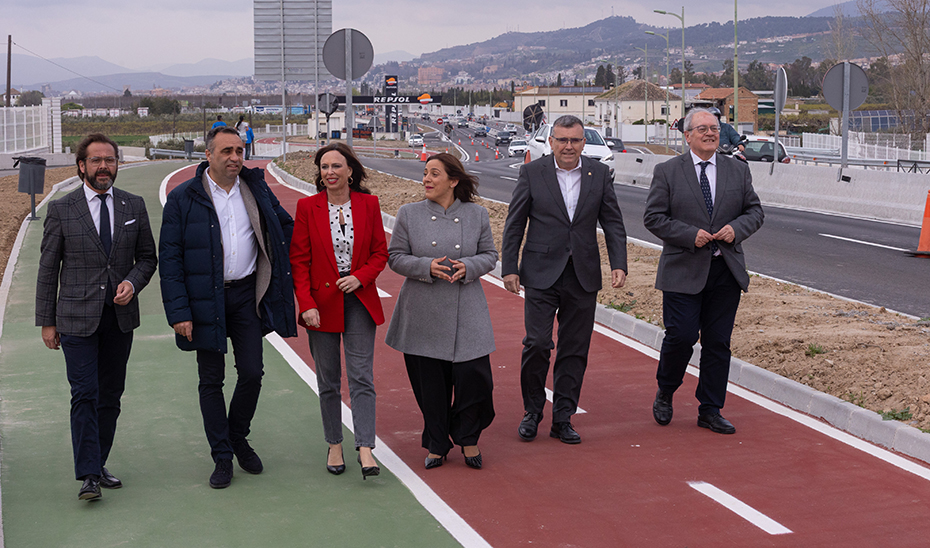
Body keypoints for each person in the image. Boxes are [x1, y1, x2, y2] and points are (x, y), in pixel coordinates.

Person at [159, 126, 297, 488]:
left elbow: (285, 227)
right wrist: (179, 312)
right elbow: (170, 259)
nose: (235, 157)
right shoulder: (183, 198)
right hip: (205, 300)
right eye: (226, 151)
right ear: (208, 155)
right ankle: (222, 455)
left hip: (247, 296)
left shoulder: (255, 188)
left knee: (252, 373)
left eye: (239, 150)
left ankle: (237, 436)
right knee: (211, 380)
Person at [36, 133, 157, 501]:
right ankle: (88, 474)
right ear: (81, 166)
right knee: (84, 393)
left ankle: (98, 462)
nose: (104, 166)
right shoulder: (62, 209)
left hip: (119, 319)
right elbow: (48, 269)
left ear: (117, 164)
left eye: (110, 160)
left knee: (110, 395)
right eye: (96, 160)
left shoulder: (133, 205)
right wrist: (47, 321)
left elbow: (147, 258)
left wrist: (132, 283)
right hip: (75, 318)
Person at [501, 115, 627, 445]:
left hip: (582, 274)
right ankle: (532, 411)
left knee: (575, 348)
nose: (568, 146)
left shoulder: (599, 174)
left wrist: (619, 263)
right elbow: (515, 223)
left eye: (575, 140)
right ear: (551, 142)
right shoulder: (532, 173)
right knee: (537, 343)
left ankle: (563, 418)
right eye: (562, 140)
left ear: (583, 143)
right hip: (540, 272)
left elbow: (613, 222)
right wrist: (510, 267)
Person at [644, 107, 764, 435]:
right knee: (681, 336)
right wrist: (688, 235)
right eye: (702, 129)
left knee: (717, 343)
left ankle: (710, 409)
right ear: (687, 136)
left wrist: (736, 229)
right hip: (683, 269)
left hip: (725, 270)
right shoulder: (668, 171)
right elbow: (653, 217)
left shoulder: (737, 170)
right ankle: (666, 389)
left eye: (714, 128)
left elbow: (755, 211)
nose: (710, 133)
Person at [385, 153, 498, 470]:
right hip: (423, 310)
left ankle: (468, 436)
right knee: (430, 385)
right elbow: (395, 257)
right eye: (425, 173)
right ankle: (436, 443)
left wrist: (469, 267)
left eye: (434, 173)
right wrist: (426, 266)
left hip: (468, 309)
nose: (427, 179)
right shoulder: (409, 214)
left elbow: (490, 255)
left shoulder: (477, 214)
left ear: (453, 180)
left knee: (475, 380)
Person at [289, 143, 387, 480]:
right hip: (321, 305)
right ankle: (334, 443)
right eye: (324, 167)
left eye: (336, 166)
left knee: (361, 377)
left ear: (350, 171)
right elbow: (299, 261)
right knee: (328, 380)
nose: (330, 172)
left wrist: (361, 277)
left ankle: (365, 447)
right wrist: (307, 304)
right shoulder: (307, 207)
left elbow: (380, 252)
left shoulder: (369, 205)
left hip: (359, 300)